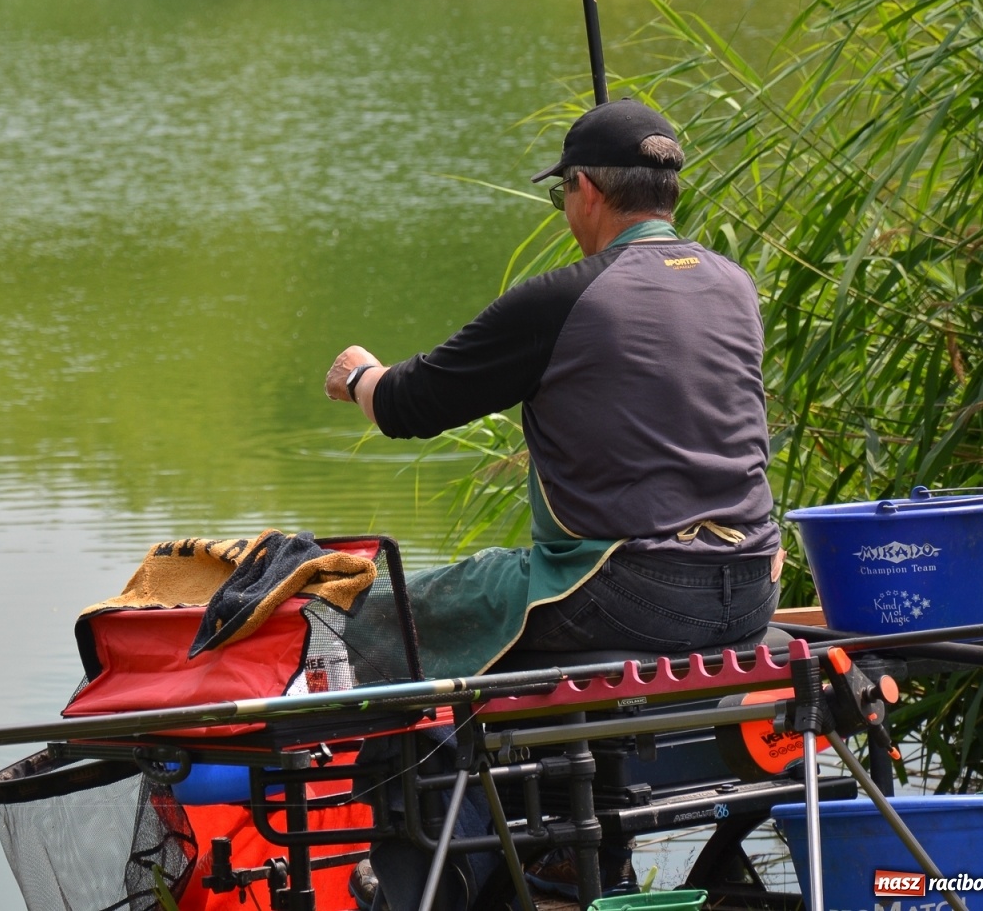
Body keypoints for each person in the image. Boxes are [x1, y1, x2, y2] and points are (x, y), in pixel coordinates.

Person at [325, 99, 783, 909]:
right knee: (531, 608)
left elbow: (409, 405)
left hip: (629, 595)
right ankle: (582, 855)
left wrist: (359, 374)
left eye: (560, 195)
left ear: (585, 190)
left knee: (384, 621)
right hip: (752, 588)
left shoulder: (566, 299)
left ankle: (417, 875)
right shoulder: (733, 286)